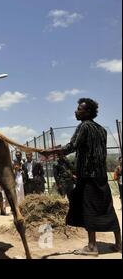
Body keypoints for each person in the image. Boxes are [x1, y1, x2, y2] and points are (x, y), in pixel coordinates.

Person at [41, 98, 122, 256]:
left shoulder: (84, 126)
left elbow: (72, 146)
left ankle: (92, 246)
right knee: (107, 208)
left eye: (79, 109)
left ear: (88, 112)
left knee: (88, 208)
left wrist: (50, 152)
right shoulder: (101, 130)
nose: (76, 111)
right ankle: (119, 243)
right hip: (100, 176)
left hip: (87, 177)